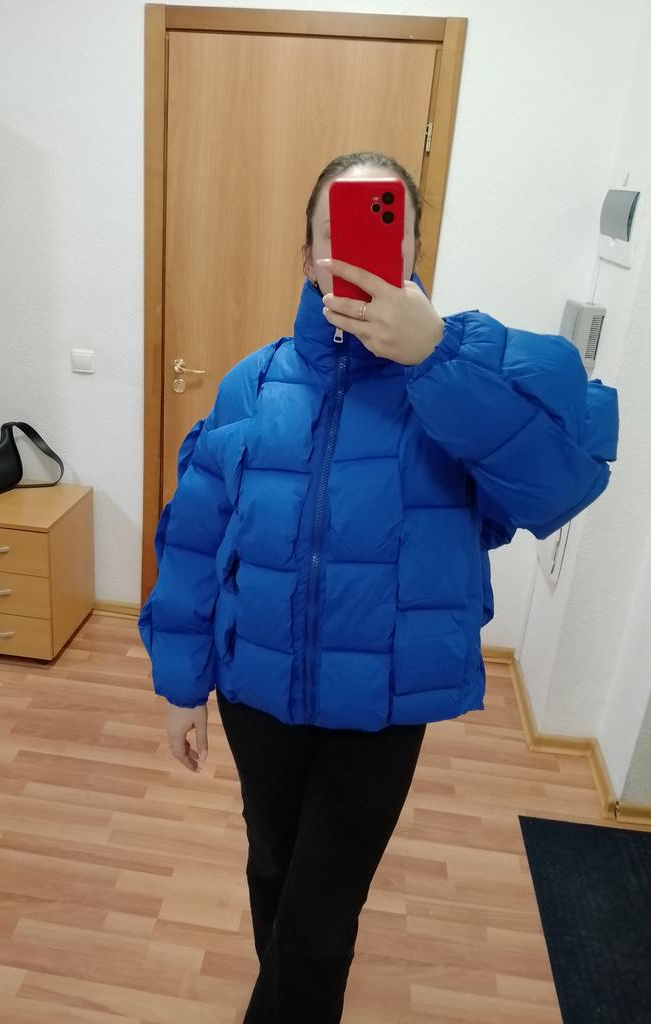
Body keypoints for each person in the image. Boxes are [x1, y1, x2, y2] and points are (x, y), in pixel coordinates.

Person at [138, 151, 619, 1023]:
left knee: (321, 913)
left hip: (383, 707)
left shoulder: (463, 376)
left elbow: (558, 484)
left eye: (381, 230)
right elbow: (197, 542)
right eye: (334, 234)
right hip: (259, 694)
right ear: (307, 254)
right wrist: (181, 685)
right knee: (273, 870)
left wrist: (436, 357)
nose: (354, 256)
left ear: (412, 249)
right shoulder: (254, 383)